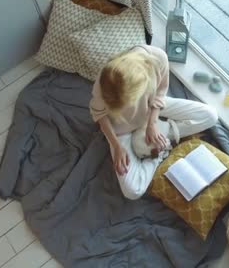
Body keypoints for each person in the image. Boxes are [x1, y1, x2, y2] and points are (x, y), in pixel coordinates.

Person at [90, 45, 218, 200]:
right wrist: (116, 145)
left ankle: (161, 134)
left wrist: (152, 123)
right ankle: (159, 151)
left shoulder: (158, 58)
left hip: (151, 110)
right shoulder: (106, 80)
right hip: (121, 130)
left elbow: (160, 94)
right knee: (133, 191)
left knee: (211, 116)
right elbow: (99, 114)